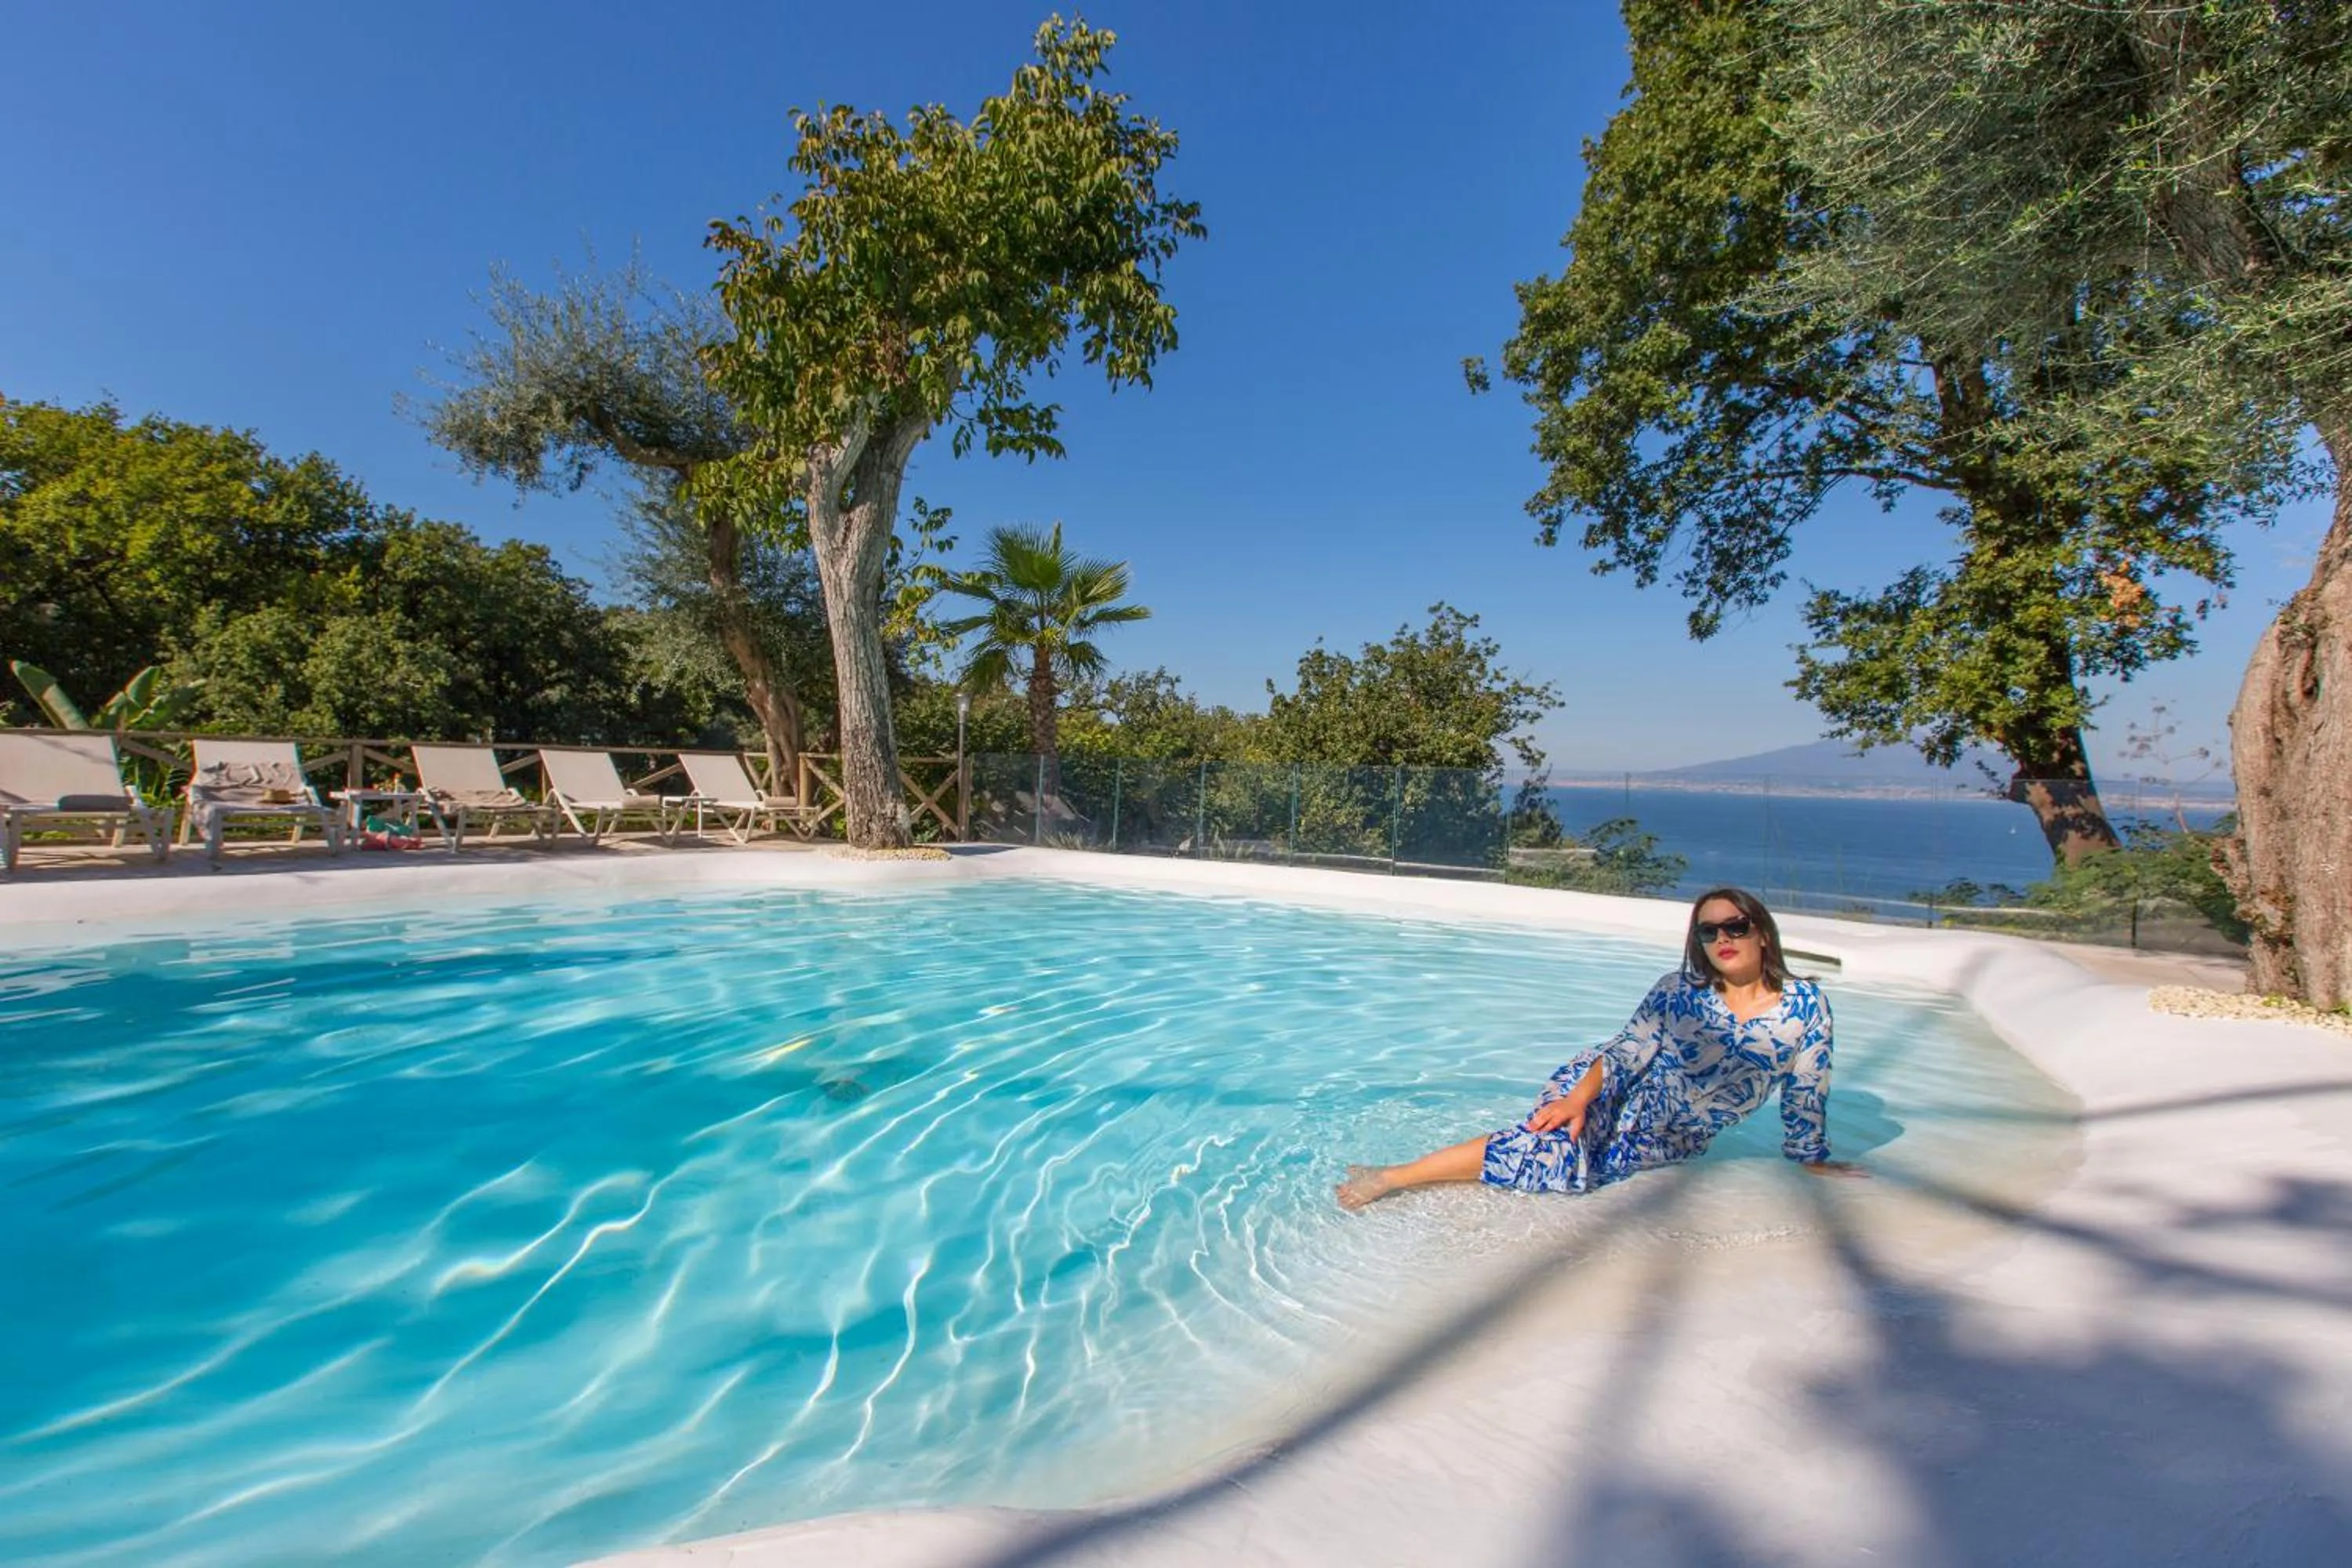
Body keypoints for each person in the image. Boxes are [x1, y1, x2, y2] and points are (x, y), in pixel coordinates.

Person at [1336, 887, 1860, 1210]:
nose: (1722, 938)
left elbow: (1806, 1092)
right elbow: (1627, 1052)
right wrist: (1577, 1101)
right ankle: (1392, 1176)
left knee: (1570, 1177)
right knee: (1551, 1148)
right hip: (1606, 1086)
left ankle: (1430, 1172)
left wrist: (1810, 1158)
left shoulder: (1806, 1007)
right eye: (1708, 931)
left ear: (1762, 934)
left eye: (1735, 927)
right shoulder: (1679, 991)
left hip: (1671, 1139)